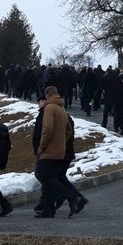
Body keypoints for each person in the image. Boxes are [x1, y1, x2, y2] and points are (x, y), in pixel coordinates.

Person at [35, 86, 78, 218]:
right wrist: (61, 141)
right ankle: (48, 210)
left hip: (49, 150)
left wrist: (42, 146)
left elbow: (47, 129)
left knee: (43, 176)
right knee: (50, 178)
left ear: (47, 95)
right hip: (60, 150)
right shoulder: (61, 108)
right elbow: (69, 130)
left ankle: (70, 195)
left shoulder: (49, 108)